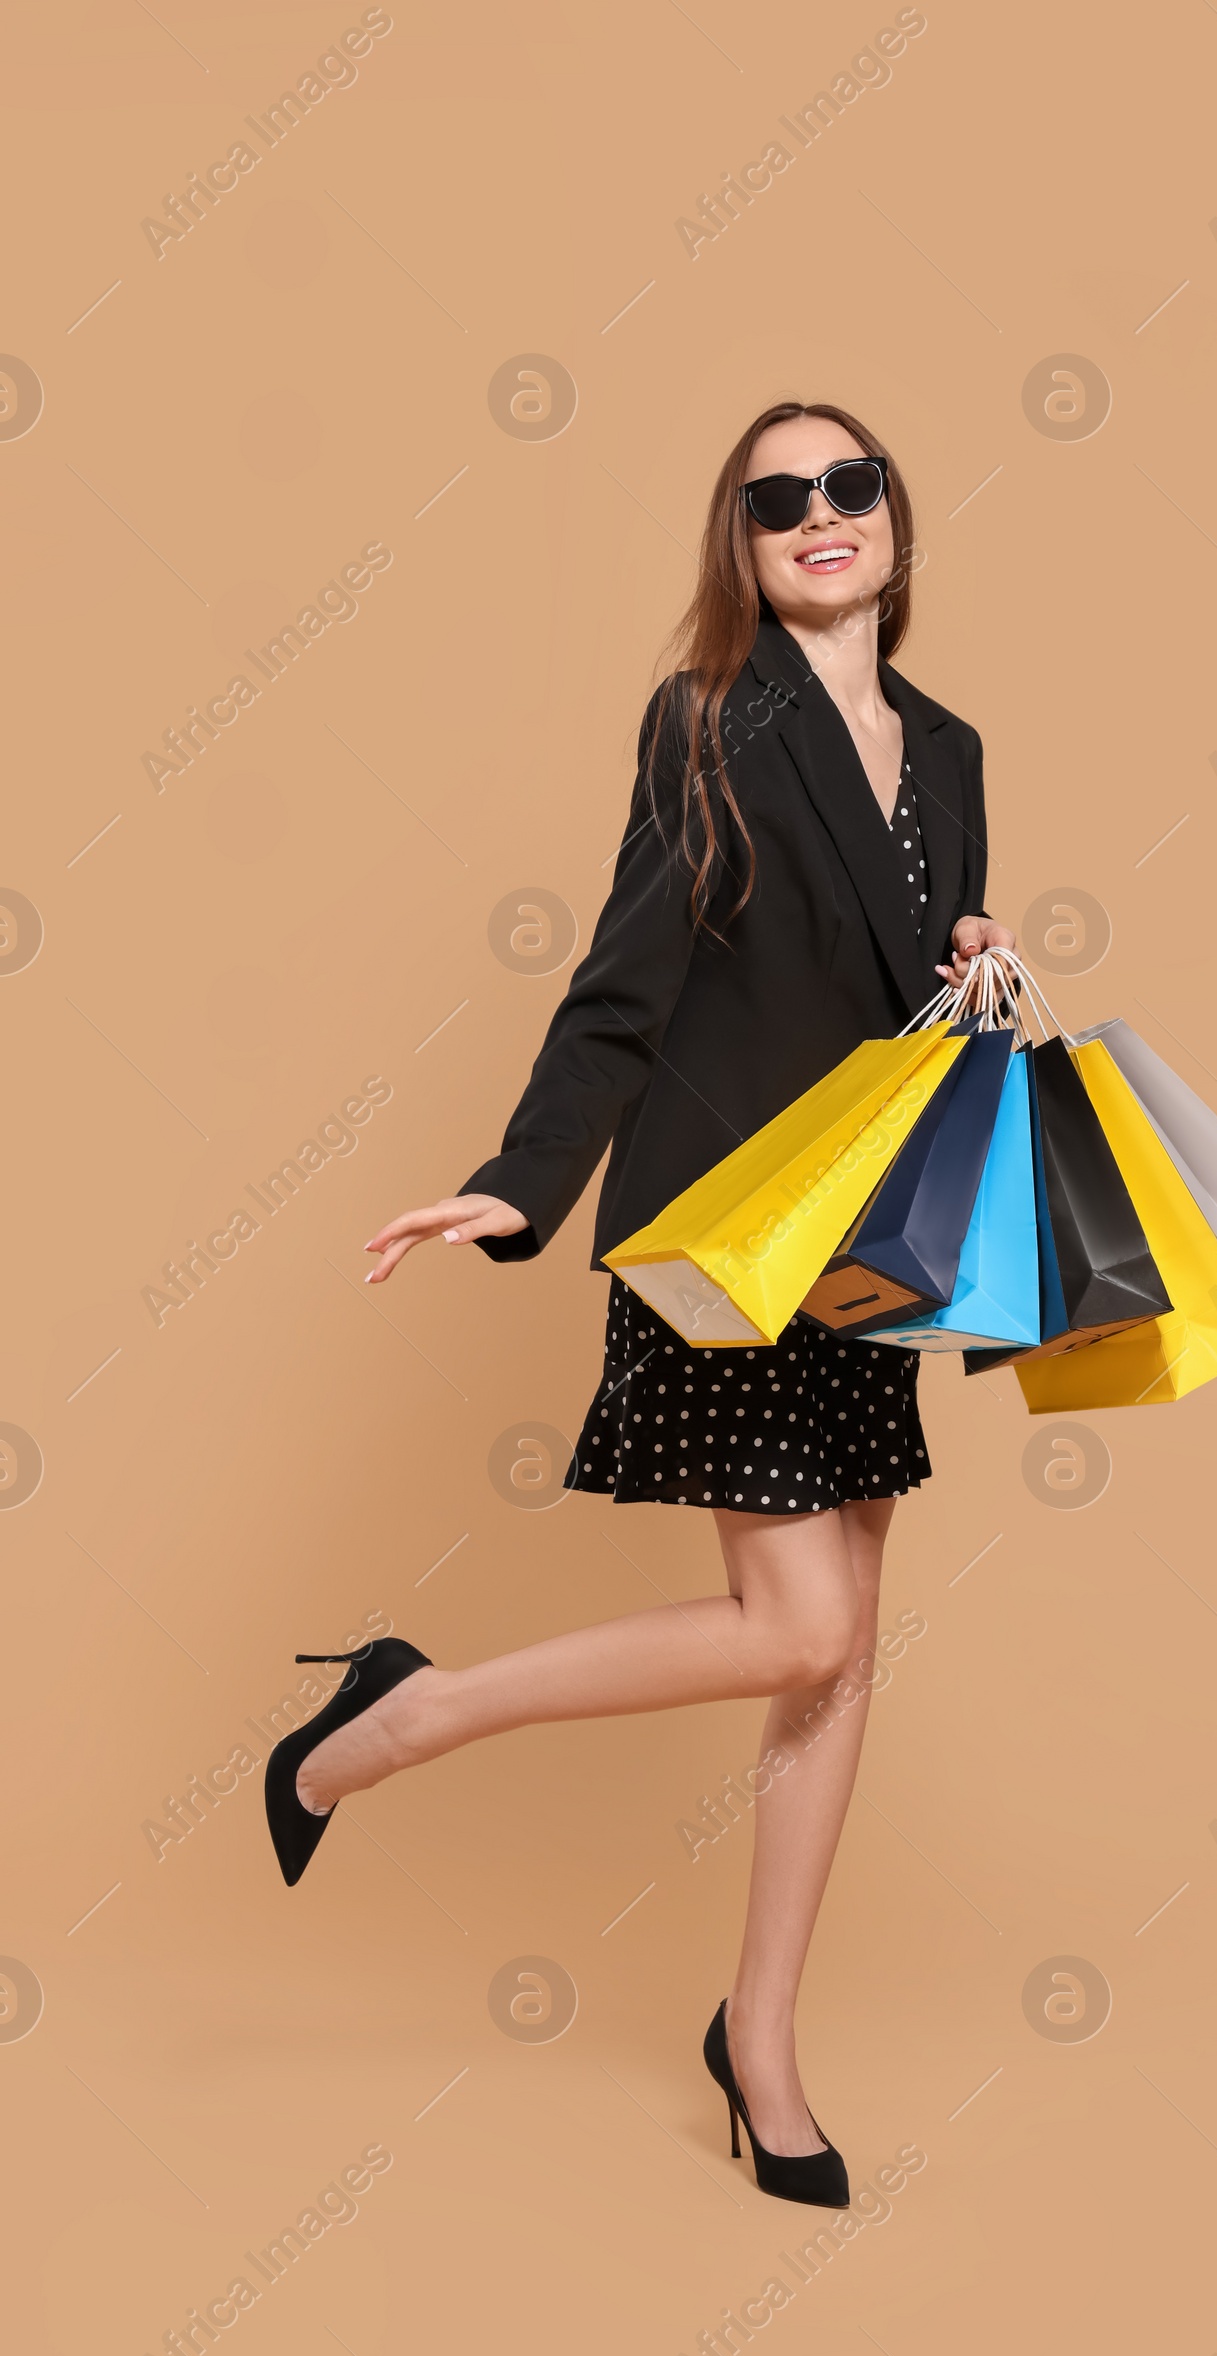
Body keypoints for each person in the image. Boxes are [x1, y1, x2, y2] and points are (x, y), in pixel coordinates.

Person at [264, 399, 1012, 2204]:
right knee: (803, 1632)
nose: (823, 514)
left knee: (847, 1640)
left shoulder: (955, 746)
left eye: (853, 486)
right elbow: (631, 975)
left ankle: (759, 2040)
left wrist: (979, 956)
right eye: (781, 499)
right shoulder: (709, 721)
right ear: (741, 548)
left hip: (867, 1246)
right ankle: (410, 1710)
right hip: (720, 1239)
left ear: (897, 521)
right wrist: (522, 1182)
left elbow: (899, 985)